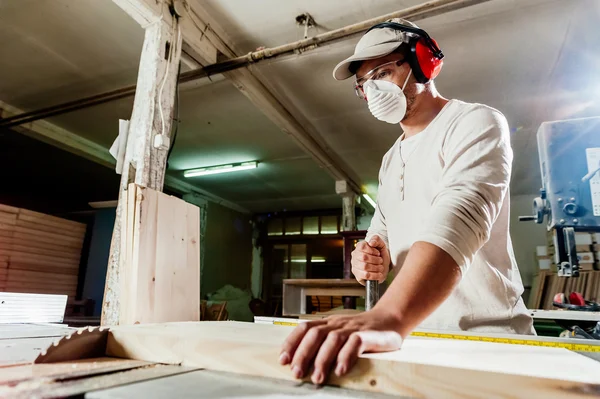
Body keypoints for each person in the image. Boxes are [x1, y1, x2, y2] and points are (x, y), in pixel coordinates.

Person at [279, 18, 535, 385]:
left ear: (423, 62)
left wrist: (390, 316)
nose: (373, 91)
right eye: (364, 84)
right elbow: (379, 242)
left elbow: (461, 216)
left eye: (382, 72)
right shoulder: (390, 160)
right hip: (417, 339)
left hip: (488, 340)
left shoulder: (474, 122)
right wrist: (364, 260)